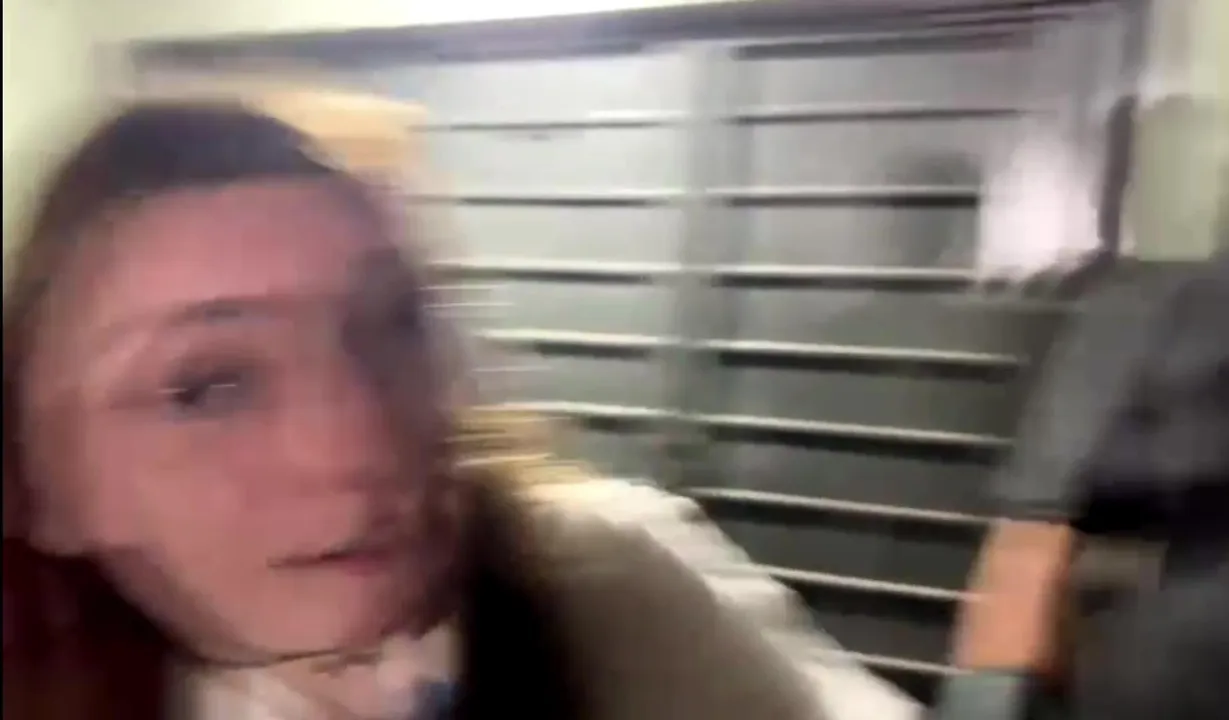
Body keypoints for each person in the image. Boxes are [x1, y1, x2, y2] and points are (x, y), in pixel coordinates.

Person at [1, 97, 921, 720]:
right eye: (205, 387)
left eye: (393, 325)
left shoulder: (604, 586)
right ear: (47, 490)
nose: (358, 443)